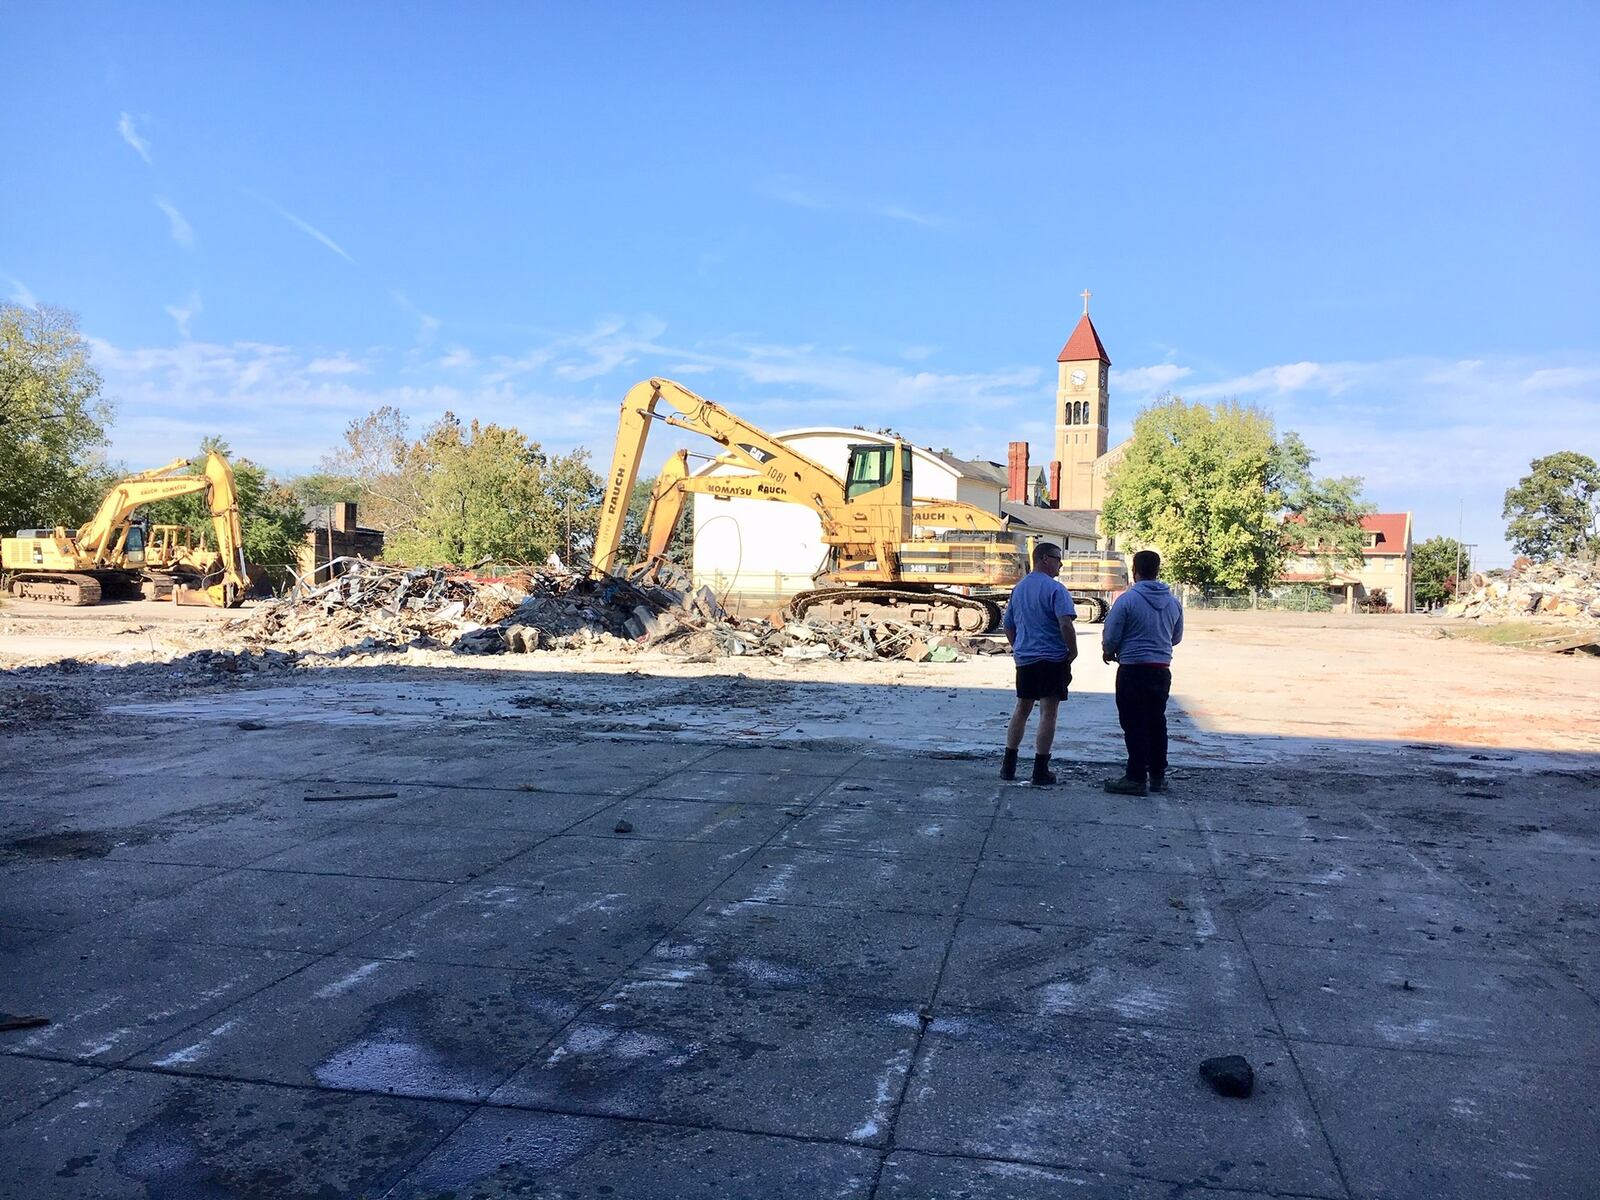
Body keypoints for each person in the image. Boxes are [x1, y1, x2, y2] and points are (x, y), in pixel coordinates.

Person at [1101, 549, 1184, 796]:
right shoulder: (1173, 602)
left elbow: (1112, 635)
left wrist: (1109, 650)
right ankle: (1157, 776)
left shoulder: (1126, 600)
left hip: (1132, 670)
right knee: (1157, 722)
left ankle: (1136, 777)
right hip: (1161, 670)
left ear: (1134, 571)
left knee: (1134, 723)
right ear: (1158, 570)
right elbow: (1176, 638)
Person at [1001, 541, 1079, 786]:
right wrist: (1072, 651)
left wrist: (1019, 648)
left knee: (1021, 709)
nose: (1061, 564)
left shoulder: (1019, 589)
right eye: (1058, 558)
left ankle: (1008, 766)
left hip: (1025, 659)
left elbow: (1008, 625)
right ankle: (1040, 769)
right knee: (1048, 713)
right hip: (1051, 659)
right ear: (1045, 558)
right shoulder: (1055, 590)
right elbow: (1065, 623)